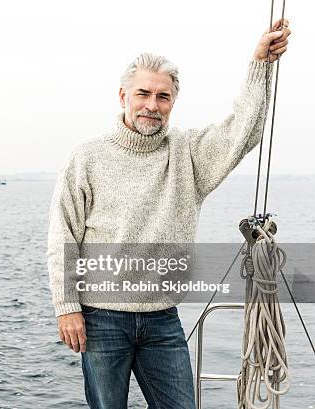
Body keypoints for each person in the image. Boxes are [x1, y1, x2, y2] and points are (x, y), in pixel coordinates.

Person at [46, 19, 291, 409]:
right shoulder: (87, 155)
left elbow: (244, 130)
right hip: (101, 318)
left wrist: (259, 65)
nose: (152, 105)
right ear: (122, 95)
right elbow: (64, 235)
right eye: (143, 94)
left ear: (172, 103)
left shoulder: (189, 154)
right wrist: (67, 308)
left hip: (162, 318)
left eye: (163, 97)